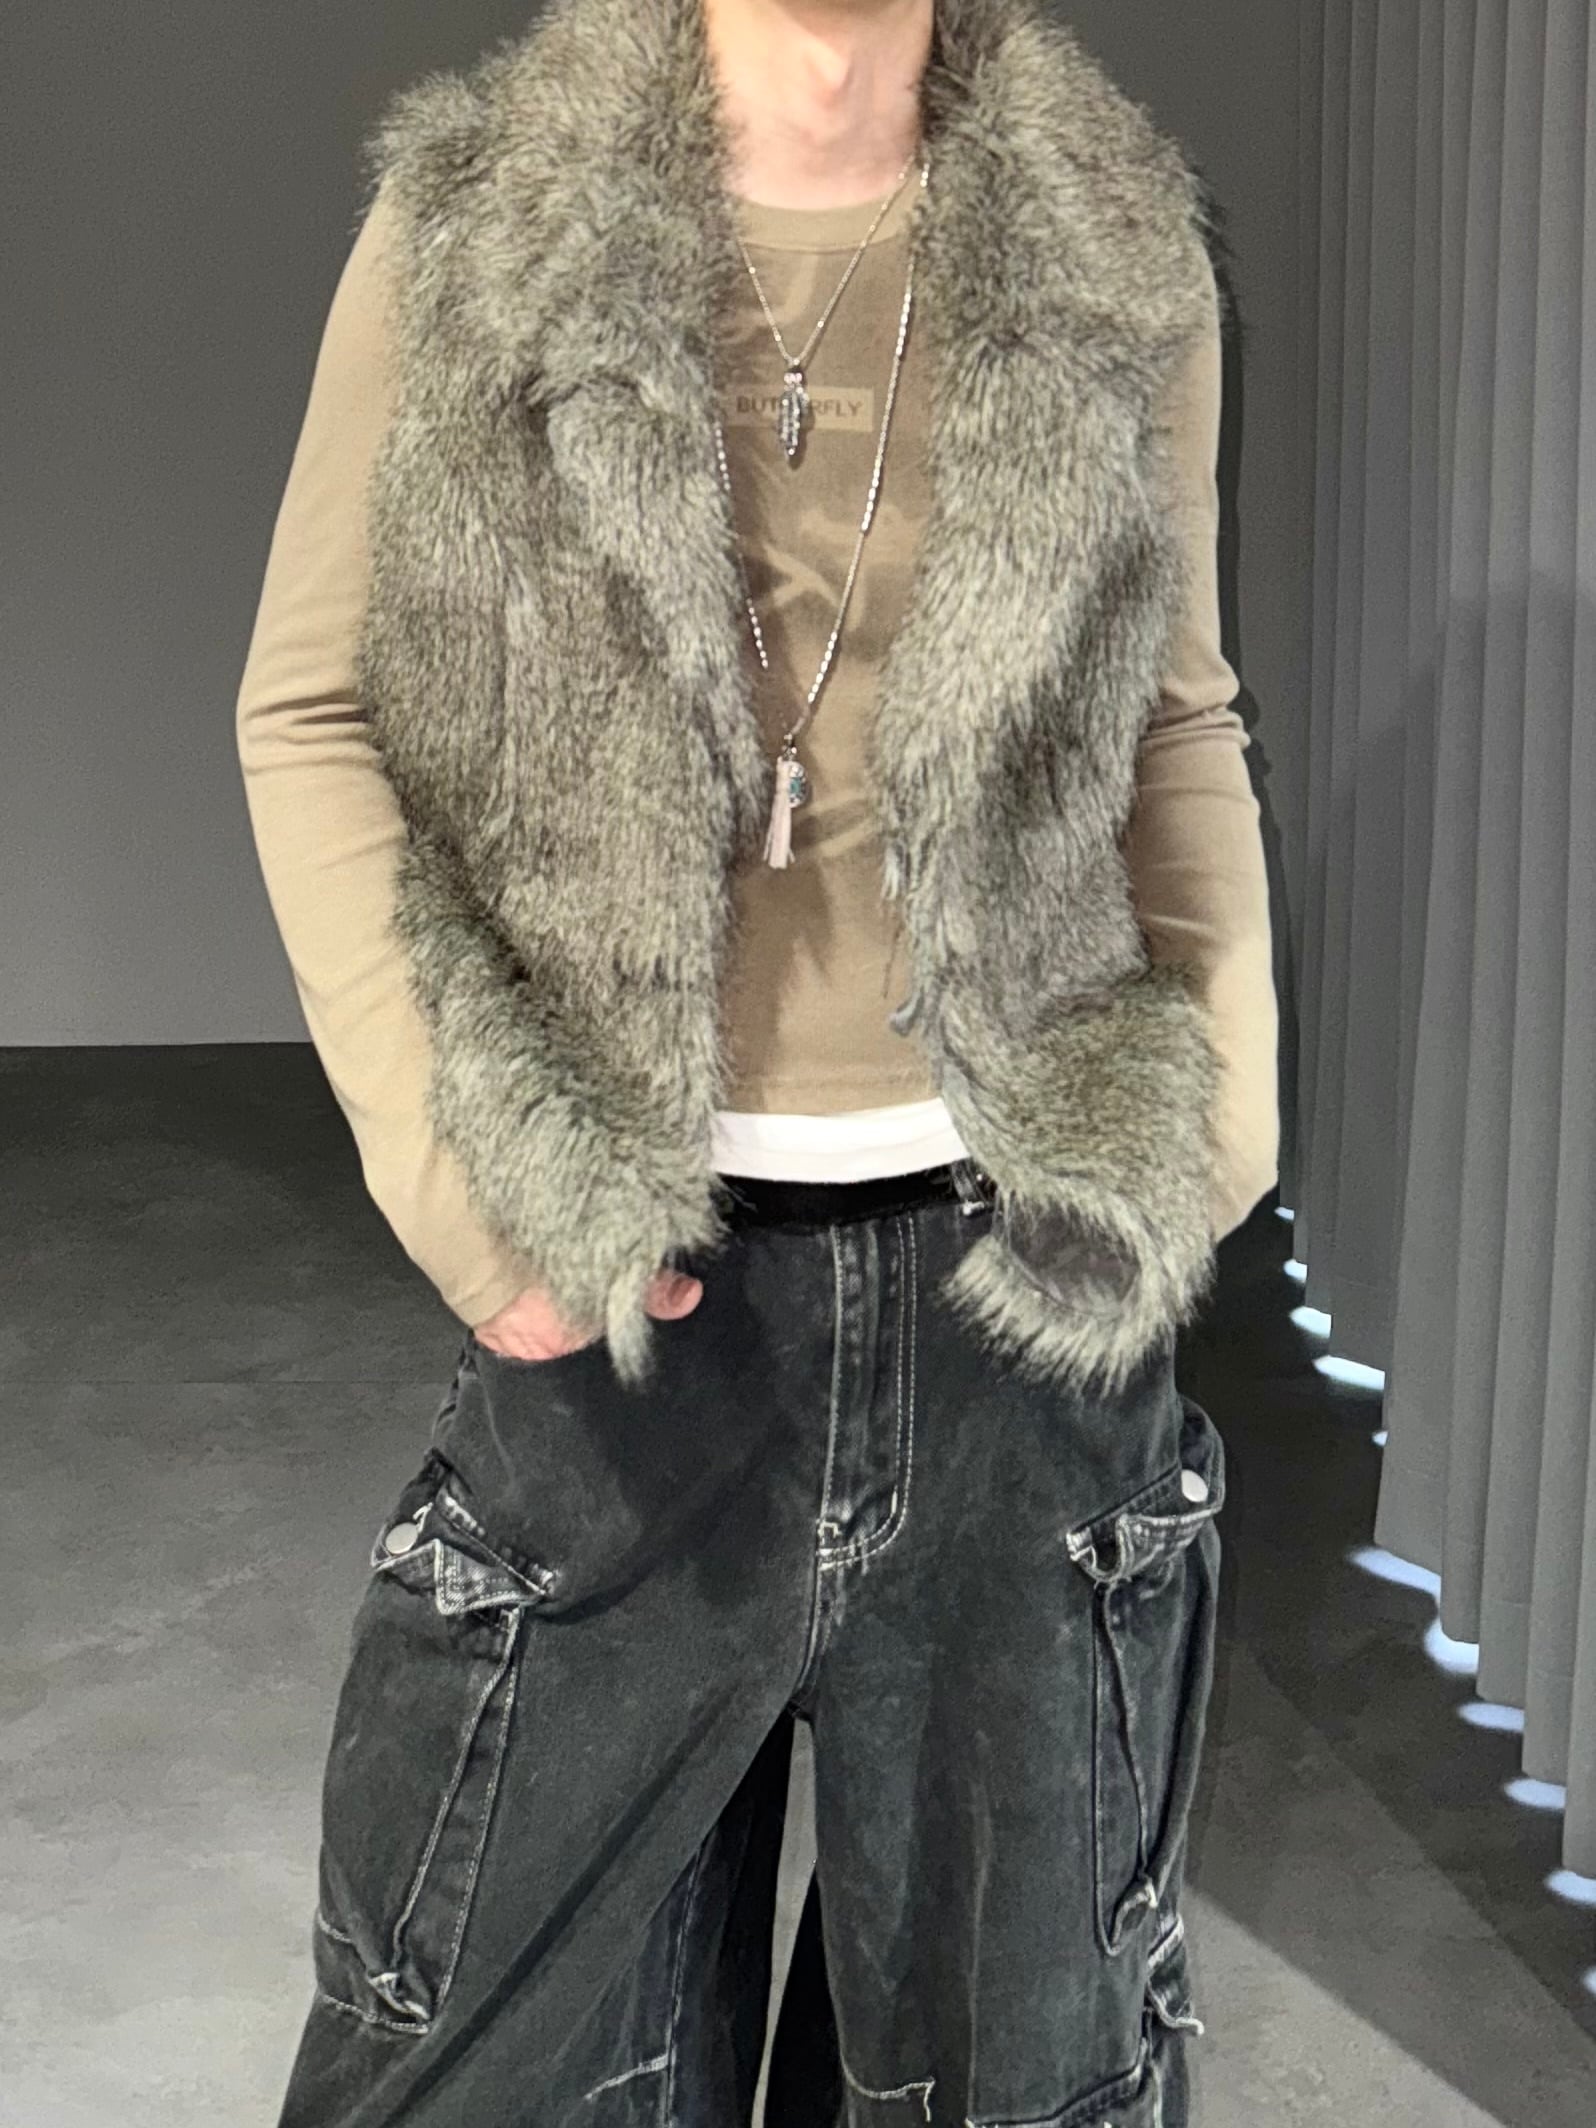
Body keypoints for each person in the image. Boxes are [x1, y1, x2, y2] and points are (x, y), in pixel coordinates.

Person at [235, 0, 1278, 2119]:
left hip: (1017, 1312)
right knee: (491, 2068)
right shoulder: (473, 225)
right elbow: (310, 709)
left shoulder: (1115, 247)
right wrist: (465, 1195)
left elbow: (1176, 714)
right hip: (630, 1317)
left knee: (1020, 2076)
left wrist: (1223, 1123)